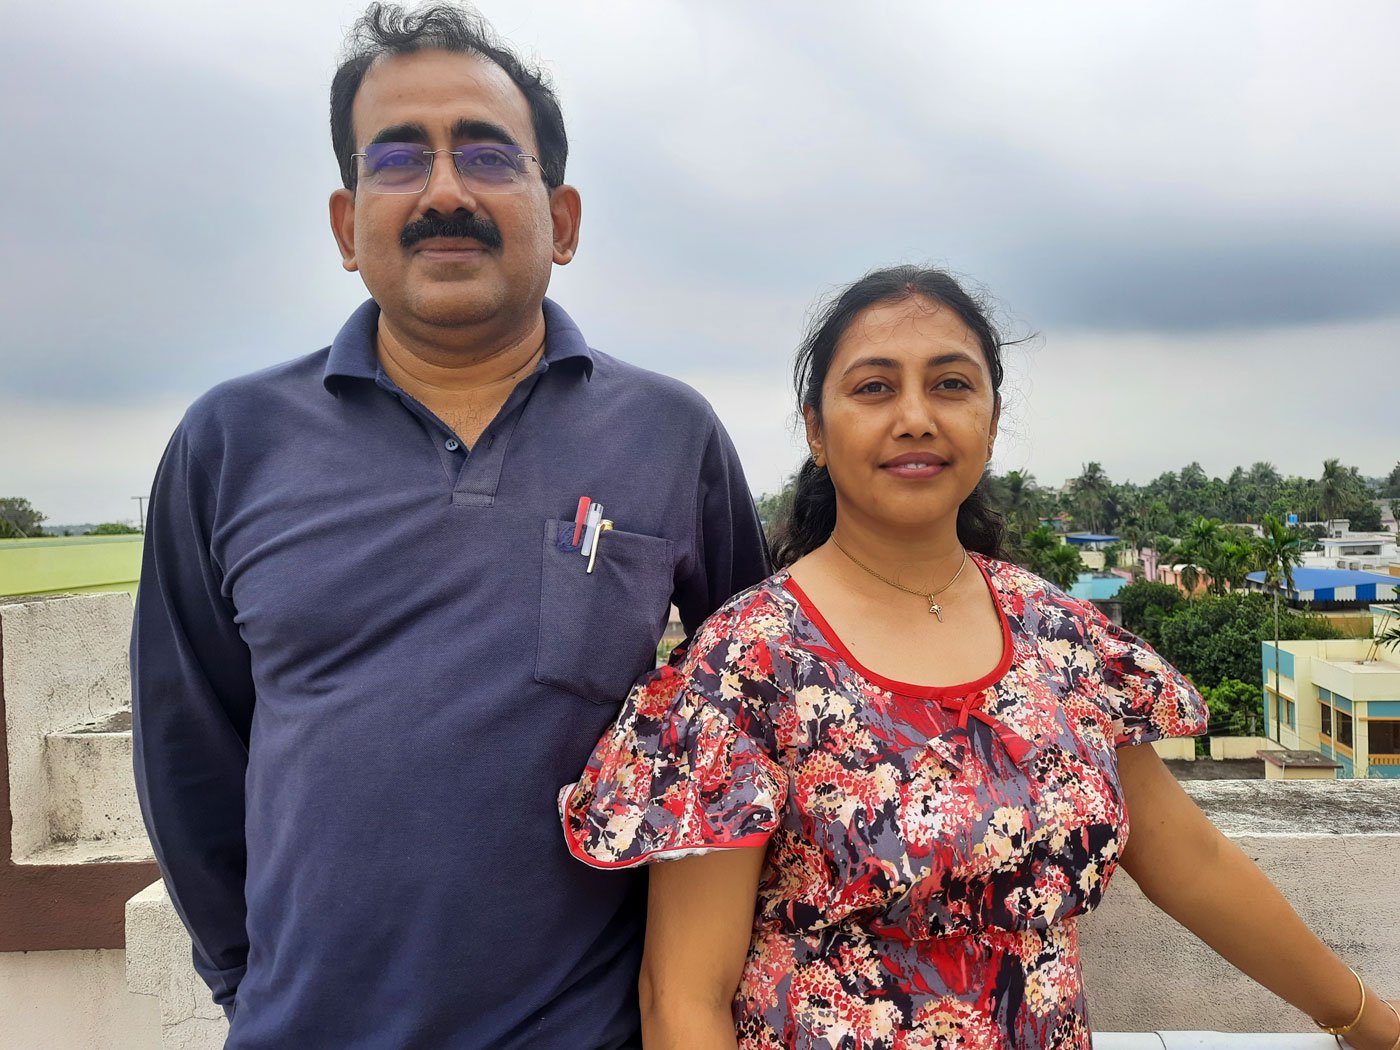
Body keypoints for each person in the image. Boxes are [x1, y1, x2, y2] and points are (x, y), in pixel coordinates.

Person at [130, 4, 768, 1047]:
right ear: (346, 227)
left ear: (559, 219)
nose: (442, 192)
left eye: (485, 154)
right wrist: (251, 986)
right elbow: (186, 748)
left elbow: (745, 718)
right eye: (397, 160)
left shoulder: (668, 434)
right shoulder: (229, 442)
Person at [560, 266, 1400, 1049]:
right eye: (875, 386)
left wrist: (1362, 1018)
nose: (916, 416)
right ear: (817, 430)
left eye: (951, 384)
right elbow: (682, 996)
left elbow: (1193, 861)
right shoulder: (747, 662)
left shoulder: (1061, 638)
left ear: (990, 424)